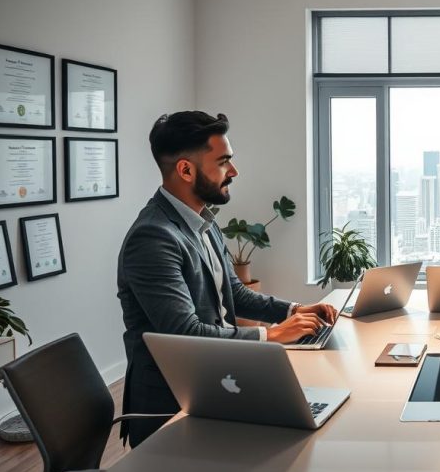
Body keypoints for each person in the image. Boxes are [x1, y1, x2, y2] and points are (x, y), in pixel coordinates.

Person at [117, 111, 336, 447]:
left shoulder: (201, 220)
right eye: (223, 162)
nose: (234, 172)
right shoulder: (153, 237)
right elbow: (184, 333)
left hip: (219, 380)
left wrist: (295, 310)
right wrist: (271, 335)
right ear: (186, 170)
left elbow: (233, 293)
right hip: (175, 407)